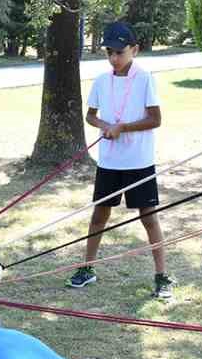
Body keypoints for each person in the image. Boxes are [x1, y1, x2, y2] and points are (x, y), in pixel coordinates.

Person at [68, 22, 174, 300]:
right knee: (99, 216)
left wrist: (123, 127)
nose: (114, 58)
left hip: (139, 161)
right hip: (109, 162)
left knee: (148, 217)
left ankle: (162, 276)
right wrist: (105, 125)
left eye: (120, 52)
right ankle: (87, 268)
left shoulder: (145, 78)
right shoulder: (102, 81)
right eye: (109, 53)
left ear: (134, 50)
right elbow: (90, 115)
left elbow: (155, 119)